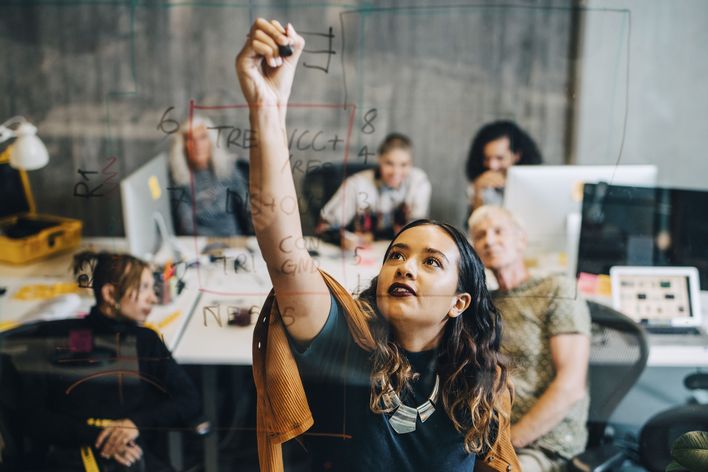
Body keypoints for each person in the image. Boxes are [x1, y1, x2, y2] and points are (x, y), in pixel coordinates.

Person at [236, 19, 519, 472]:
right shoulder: (343, 348)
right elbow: (283, 250)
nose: (405, 267)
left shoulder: (480, 384)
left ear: (459, 301)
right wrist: (267, 106)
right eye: (397, 255)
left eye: (431, 262)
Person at [18, 251, 201, 471]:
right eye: (143, 288)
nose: (153, 298)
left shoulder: (145, 341)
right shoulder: (65, 339)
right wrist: (104, 438)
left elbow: (189, 400)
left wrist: (135, 424)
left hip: (132, 454)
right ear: (110, 293)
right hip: (74, 455)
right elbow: (33, 416)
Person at [468, 206, 590, 472]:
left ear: (521, 240)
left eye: (499, 231)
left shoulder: (556, 290)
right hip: (487, 437)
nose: (489, 240)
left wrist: (509, 442)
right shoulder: (482, 303)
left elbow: (571, 385)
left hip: (543, 439)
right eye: (480, 235)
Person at [316, 132, 431, 248]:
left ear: (411, 164)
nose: (396, 172)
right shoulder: (356, 184)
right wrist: (341, 239)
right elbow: (324, 227)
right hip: (359, 253)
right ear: (379, 160)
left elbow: (417, 230)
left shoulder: (418, 182)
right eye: (389, 163)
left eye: (404, 165)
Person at [168, 114, 251, 236]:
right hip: (200, 245)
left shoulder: (229, 170)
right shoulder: (180, 179)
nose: (197, 144)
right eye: (191, 139)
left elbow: (248, 211)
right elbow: (186, 226)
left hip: (235, 242)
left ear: (211, 141)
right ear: (183, 146)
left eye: (202, 137)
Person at [465, 120, 543, 211]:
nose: (492, 165)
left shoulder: (535, 186)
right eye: (487, 158)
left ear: (516, 155)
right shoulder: (479, 185)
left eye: (499, 158)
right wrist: (477, 194)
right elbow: (473, 224)